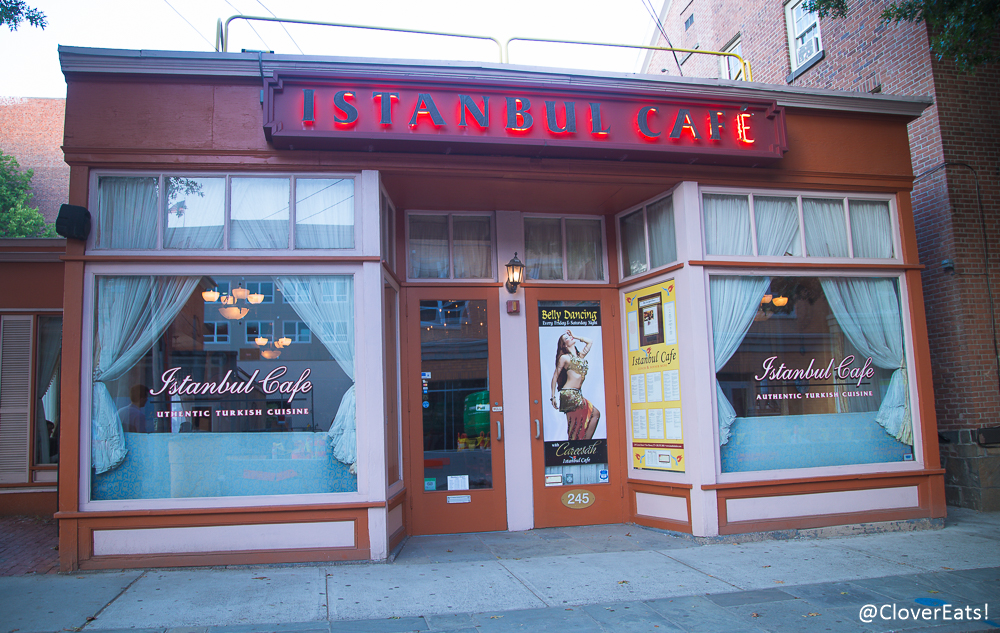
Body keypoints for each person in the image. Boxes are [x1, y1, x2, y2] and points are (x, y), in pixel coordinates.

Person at [549, 329, 601, 440]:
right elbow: (555, 376)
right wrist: (553, 396)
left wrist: (575, 336)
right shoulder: (564, 358)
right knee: (575, 425)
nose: (570, 337)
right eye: (566, 338)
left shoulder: (580, 356)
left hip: (577, 394)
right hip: (569, 394)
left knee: (592, 416)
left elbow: (590, 341)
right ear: (564, 345)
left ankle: (583, 444)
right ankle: (578, 446)